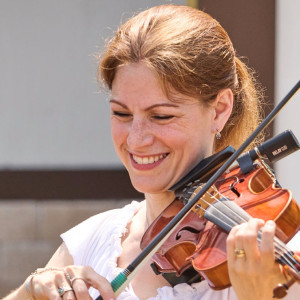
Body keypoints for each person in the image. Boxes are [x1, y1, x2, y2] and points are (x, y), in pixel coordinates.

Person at [2, 4, 299, 300]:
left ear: (219, 110)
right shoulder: (92, 242)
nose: (136, 139)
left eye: (161, 116)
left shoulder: (274, 258)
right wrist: (28, 293)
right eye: (121, 113)